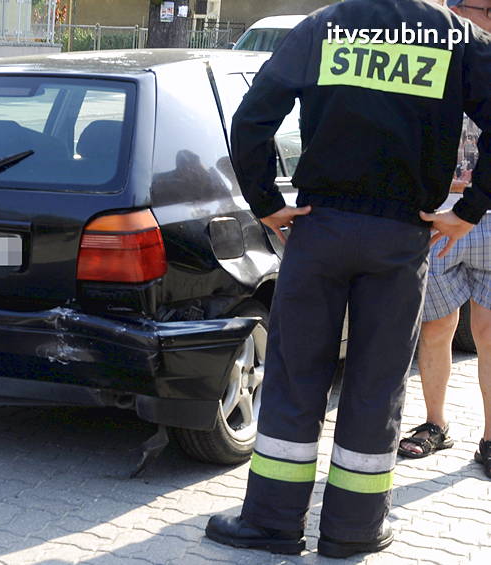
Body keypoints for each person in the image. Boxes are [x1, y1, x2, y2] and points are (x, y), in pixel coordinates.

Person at [204, 0, 491, 558]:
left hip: (320, 230)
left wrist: (265, 201)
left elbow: (253, 117)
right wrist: (470, 209)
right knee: (378, 382)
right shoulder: (457, 38)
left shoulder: (323, 25)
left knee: (295, 375)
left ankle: (271, 523)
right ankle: (354, 528)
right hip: (401, 237)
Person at [398, 0, 491, 480]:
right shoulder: (431, 57)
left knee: (489, 334)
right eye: (485, 8)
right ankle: (435, 424)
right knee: (436, 329)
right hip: (435, 216)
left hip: (487, 215)